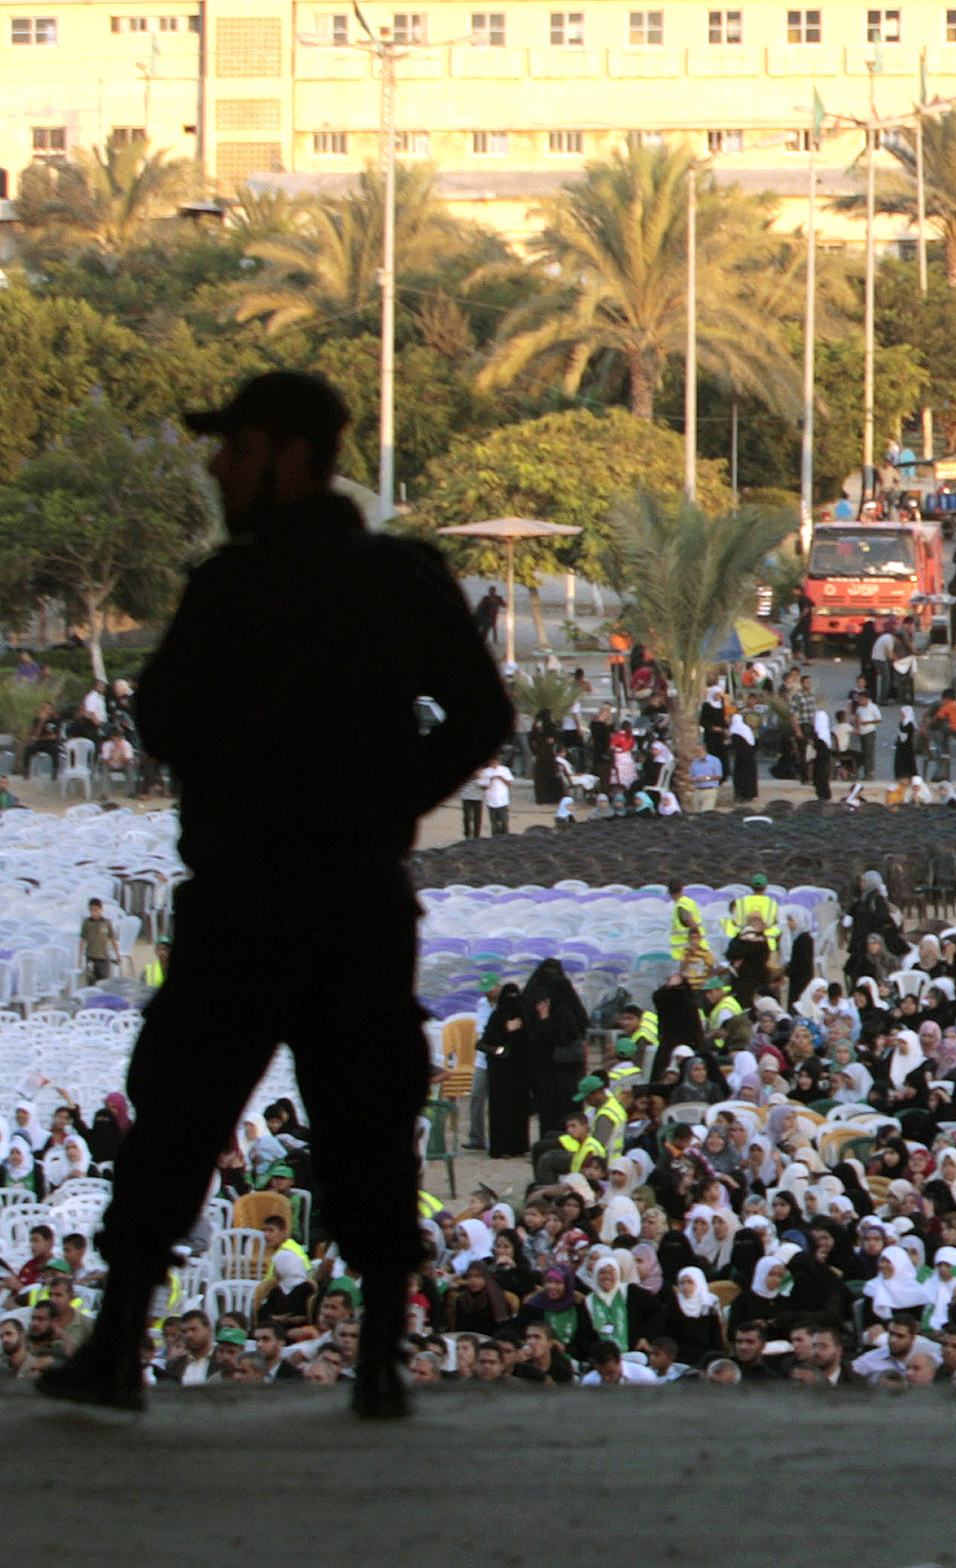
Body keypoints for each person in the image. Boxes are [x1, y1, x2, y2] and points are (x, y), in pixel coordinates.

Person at [36, 372, 513, 1419]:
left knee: (186, 1112)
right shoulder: (397, 578)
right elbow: (480, 716)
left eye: (235, 447)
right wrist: (383, 800)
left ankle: (120, 1345)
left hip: (256, 899)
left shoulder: (236, 588)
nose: (216, 467)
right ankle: (379, 1355)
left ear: (290, 457)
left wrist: (281, 779)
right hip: (345, 895)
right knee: (359, 1115)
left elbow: (162, 717)